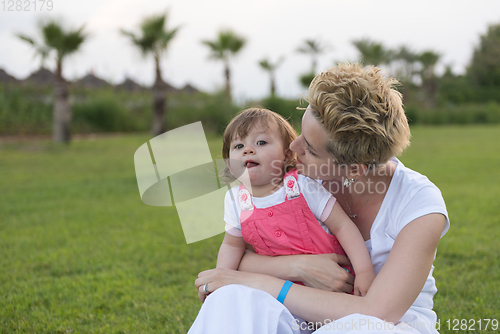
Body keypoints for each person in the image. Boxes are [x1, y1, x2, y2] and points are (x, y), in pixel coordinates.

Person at [189, 63, 449, 334]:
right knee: (229, 299)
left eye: (310, 149)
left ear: (353, 169)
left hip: (382, 326)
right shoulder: (295, 180)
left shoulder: (419, 204)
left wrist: (268, 282)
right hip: (298, 316)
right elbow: (241, 252)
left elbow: (376, 312)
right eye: (300, 133)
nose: (293, 147)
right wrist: (298, 267)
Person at [215, 108, 375, 298]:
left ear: (286, 155)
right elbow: (233, 245)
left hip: (330, 289)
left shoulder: (302, 186)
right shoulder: (235, 200)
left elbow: (342, 226)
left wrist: (364, 272)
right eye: (239, 146)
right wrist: (221, 279)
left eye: (261, 142)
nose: (248, 150)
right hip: (276, 293)